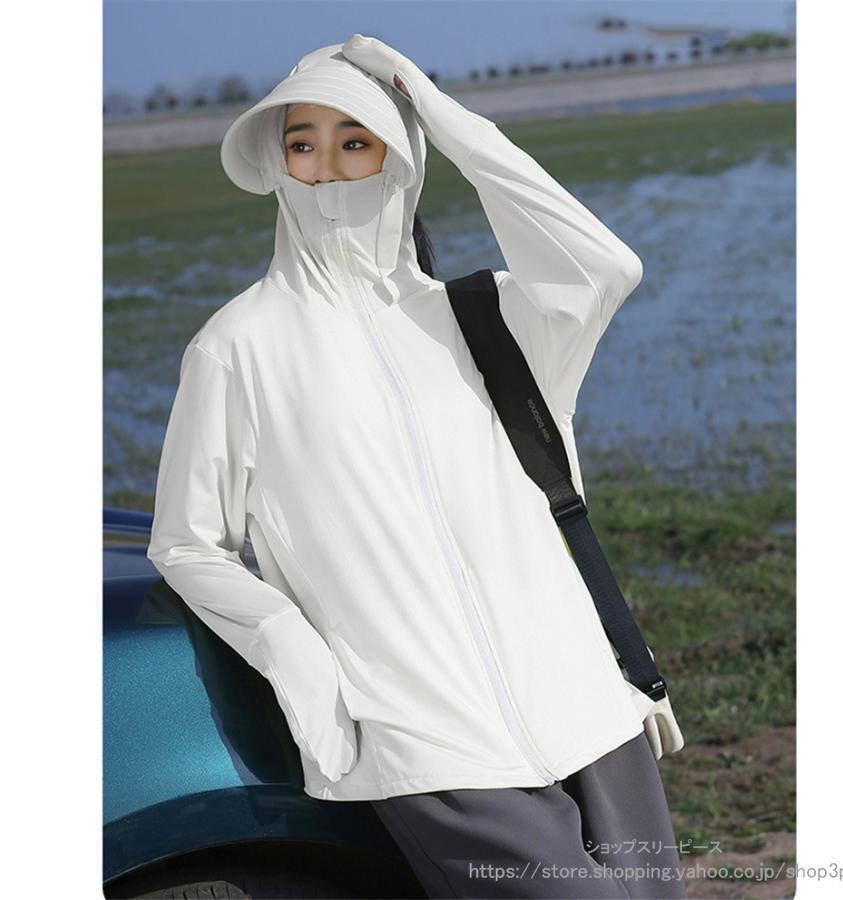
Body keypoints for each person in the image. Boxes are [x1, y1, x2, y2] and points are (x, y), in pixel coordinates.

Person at [147, 33, 687, 899]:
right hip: (429, 744)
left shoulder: (488, 317)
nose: (325, 167)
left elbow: (604, 266)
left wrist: (437, 110)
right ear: (277, 163)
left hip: (588, 707)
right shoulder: (236, 348)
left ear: (401, 158)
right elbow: (186, 542)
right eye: (301, 143)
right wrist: (297, 656)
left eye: (356, 140)